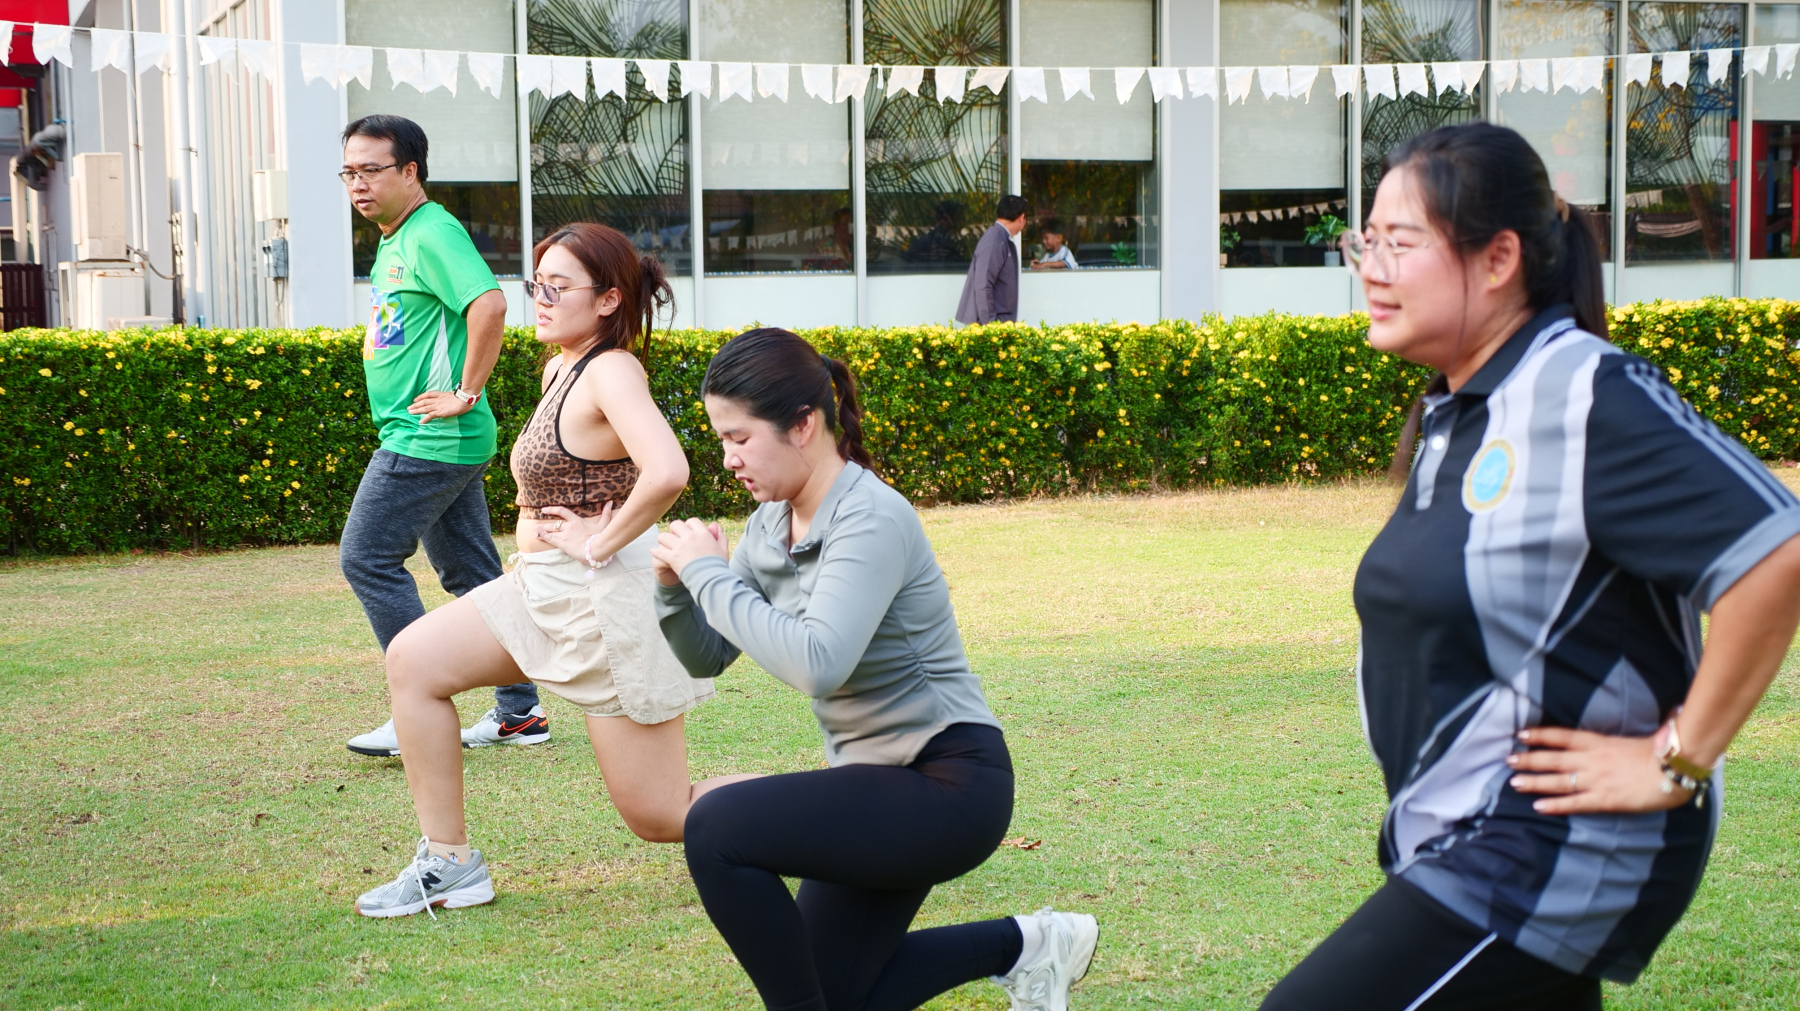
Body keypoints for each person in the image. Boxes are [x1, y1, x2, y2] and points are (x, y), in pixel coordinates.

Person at [1261, 122, 1800, 1009]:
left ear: (1499, 258)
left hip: (1543, 847)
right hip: (1460, 836)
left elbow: (1774, 549)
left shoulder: (1583, 392)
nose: (1372, 268)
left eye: (1401, 243)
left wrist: (1677, 758)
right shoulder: (1459, 412)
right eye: (1367, 241)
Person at [651, 328, 1098, 1011]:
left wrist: (707, 574)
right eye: (720, 439)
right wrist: (675, 588)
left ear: (803, 424)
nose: (727, 458)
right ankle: (1030, 945)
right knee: (835, 992)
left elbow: (818, 662)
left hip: (948, 783)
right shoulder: (770, 524)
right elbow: (708, 653)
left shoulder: (871, 516)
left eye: (739, 437)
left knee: (714, 826)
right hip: (873, 787)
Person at [354, 223, 713, 917]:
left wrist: (602, 541)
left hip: (602, 601)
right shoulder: (562, 367)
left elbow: (669, 470)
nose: (540, 300)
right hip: (541, 586)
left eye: (558, 287)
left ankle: (826, 812)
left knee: (661, 814)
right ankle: (449, 863)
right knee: (414, 661)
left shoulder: (610, 369)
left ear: (608, 300)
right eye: (536, 285)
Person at [337, 114, 549, 757]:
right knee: (474, 577)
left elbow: (490, 304)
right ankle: (520, 713)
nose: (358, 184)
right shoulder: (397, 238)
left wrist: (466, 391)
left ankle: (418, 707)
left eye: (372, 170)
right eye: (349, 172)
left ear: (410, 171)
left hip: (427, 438)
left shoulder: (430, 232)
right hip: (434, 437)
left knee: (367, 558)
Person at [955, 195, 1026, 324]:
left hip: (997, 322)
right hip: (990, 324)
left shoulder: (999, 237)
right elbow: (983, 285)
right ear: (1022, 218)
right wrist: (990, 324)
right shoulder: (995, 240)